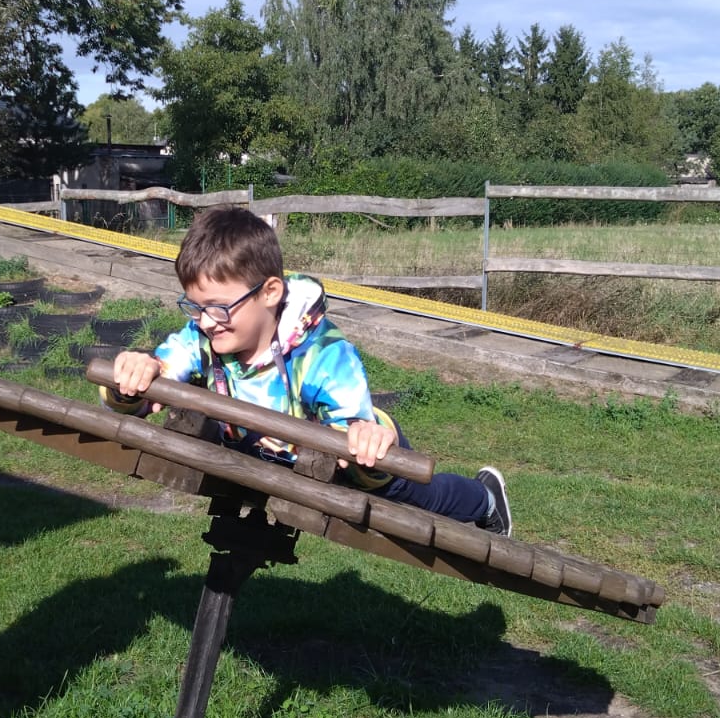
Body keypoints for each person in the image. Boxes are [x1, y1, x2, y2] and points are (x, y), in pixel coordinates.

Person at [106, 206, 511, 535]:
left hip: (358, 454)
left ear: (270, 292)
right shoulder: (201, 338)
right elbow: (153, 379)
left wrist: (366, 432)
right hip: (276, 459)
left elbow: (353, 421)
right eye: (195, 307)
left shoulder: (322, 355)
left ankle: (486, 499)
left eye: (219, 308)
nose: (207, 321)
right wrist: (136, 375)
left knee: (415, 496)